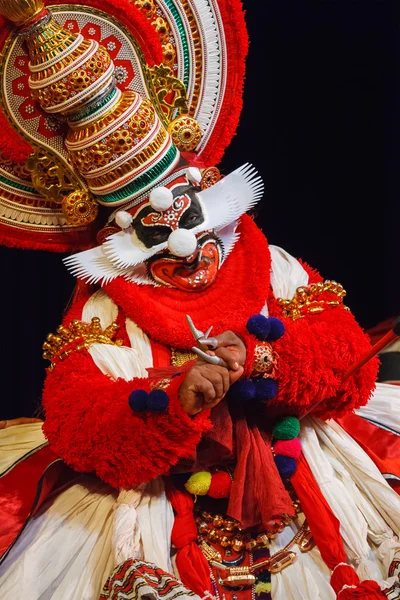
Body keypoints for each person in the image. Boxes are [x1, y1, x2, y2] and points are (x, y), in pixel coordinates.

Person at [0, 1, 400, 599]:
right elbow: (75, 417)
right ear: (117, 235)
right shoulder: (104, 308)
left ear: (206, 190)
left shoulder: (268, 262)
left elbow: (349, 354)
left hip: (309, 468)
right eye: (153, 230)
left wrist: (266, 360)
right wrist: (172, 399)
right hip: (170, 506)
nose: (184, 242)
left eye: (185, 214)